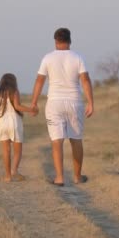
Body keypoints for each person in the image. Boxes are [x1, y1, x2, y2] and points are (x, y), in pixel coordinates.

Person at [30, 28, 94, 186]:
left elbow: (40, 81)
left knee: (56, 141)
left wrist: (34, 102)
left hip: (54, 103)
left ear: (55, 41)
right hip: (74, 102)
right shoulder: (78, 57)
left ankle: (59, 178)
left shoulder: (48, 58)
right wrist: (91, 102)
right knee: (76, 140)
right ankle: (77, 177)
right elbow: (85, 80)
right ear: (70, 41)